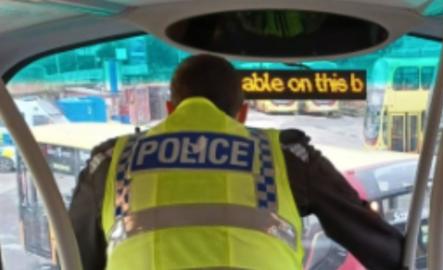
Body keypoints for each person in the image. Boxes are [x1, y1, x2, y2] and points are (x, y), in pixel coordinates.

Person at [69, 54, 404, 270]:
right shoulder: (284, 157)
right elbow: (379, 246)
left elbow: (78, 258)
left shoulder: (114, 161)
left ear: (171, 109)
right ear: (242, 113)